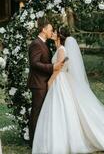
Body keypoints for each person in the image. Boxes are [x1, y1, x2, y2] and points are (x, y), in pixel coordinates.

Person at [32, 26, 104, 154]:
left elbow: (58, 69)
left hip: (59, 81)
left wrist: (50, 82)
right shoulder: (59, 48)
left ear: (59, 36)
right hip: (62, 80)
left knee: (59, 109)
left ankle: (61, 141)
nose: (52, 33)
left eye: (55, 32)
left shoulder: (62, 49)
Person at [27, 17, 64, 147]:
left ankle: (39, 139)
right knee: (36, 112)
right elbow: (35, 63)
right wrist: (52, 67)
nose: (51, 31)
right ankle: (33, 142)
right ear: (43, 29)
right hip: (38, 83)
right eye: (50, 29)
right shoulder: (36, 44)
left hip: (43, 82)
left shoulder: (44, 43)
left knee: (41, 111)